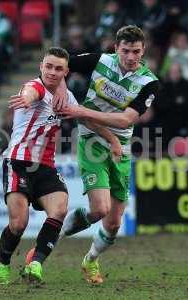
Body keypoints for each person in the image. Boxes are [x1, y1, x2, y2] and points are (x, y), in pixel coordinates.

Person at [0, 47, 120, 284]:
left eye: (58, 68)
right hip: (18, 162)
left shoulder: (67, 98)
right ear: (41, 66)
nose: (52, 72)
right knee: (19, 224)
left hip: (45, 167)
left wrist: (113, 139)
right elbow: (33, 93)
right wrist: (26, 98)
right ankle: (2, 262)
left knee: (60, 209)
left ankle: (35, 265)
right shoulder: (34, 87)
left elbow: (86, 120)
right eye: (49, 66)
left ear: (66, 71)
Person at [57, 25, 159, 284]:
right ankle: (53, 237)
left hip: (121, 147)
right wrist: (60, 90)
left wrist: (80, 111)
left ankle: (90, 260)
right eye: (126, 51)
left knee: (113, 224)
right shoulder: (99, 61)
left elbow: (126, 121)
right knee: (100, 209)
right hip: (92, 140)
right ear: (116, 49)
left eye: (136, 51)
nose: (131, 57)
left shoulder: (149, 82)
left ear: (143, 50)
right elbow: (57, 64)